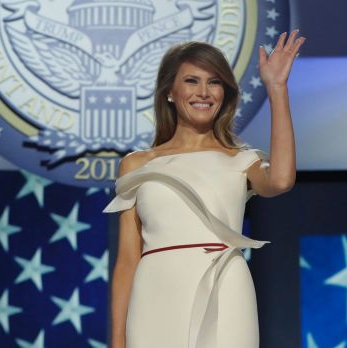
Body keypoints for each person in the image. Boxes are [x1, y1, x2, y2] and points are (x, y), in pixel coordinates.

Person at [104, 31, 305, 348]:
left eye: (214, 82)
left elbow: (280, 180)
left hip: (224, 287)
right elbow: (127, 260)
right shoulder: (136, 164)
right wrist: (117, 341)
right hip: (154, 295)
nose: (204, 92)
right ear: (170, 90)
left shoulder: (242, 160)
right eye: (191, 81)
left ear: (224, 93)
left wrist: (277, 89)